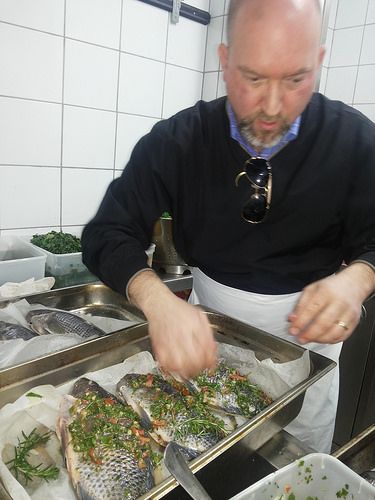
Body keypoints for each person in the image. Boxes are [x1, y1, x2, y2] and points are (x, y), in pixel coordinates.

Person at [82, 0, 375, 453]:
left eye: (296, 79)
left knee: (289, 471)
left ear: (318, 63)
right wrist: (157, 301)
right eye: (253, 78)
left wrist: (356, 280)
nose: (273, 107)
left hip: (307, 362)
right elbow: (106, 232)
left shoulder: (356, 143)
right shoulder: (180, 141)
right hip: (205, 348)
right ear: (224, 61)